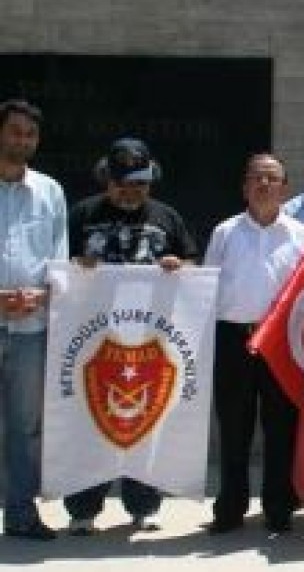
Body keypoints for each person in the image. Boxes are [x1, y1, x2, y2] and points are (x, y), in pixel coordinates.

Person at [63, 138, 198, 536]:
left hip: (149, 343)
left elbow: (194, 265)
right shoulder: (82, 214)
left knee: (146, 421)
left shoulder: (167, 217)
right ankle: (83, 510)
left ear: (151, 180)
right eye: (121, 183)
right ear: (107, 179)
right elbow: (57, 265)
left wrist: (179, 266)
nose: (130, 190)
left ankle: (144, 506)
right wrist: (76, 265)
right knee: (89, 423)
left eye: (139, 183)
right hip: (91, 342)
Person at [204, 154, 304, 535]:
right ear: (244, 187)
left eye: (272, 178)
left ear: (284, 187)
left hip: (281, 341)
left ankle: (279, 506)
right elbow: (208, 287)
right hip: (234, 338)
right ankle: (230, 507)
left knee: (281, 428)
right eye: (256, 178)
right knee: (234, 428)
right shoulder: (224, 232)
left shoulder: (303, 236)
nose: (264, 184)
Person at [0, 99, 66, 541]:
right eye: (15, 131)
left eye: (30, 134)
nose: (22, 140)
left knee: (25, 427)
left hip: (30, 327)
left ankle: (21, 514)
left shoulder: (50, 191)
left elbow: (59, 255)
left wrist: (43, 294)